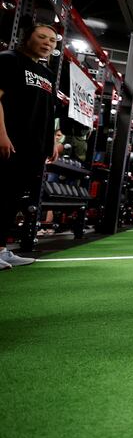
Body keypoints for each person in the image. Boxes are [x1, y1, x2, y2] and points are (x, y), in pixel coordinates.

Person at [0, 23, 59, 270]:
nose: (48, 43)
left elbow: (47, 111)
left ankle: (2, 249)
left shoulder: (45, 74)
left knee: (12, 198)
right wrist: (1, 134)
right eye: (42, 37)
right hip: (9, 141)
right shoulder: (8, 60)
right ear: (27, 37)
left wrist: (52, 140)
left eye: (53, 41)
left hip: (32, 147)